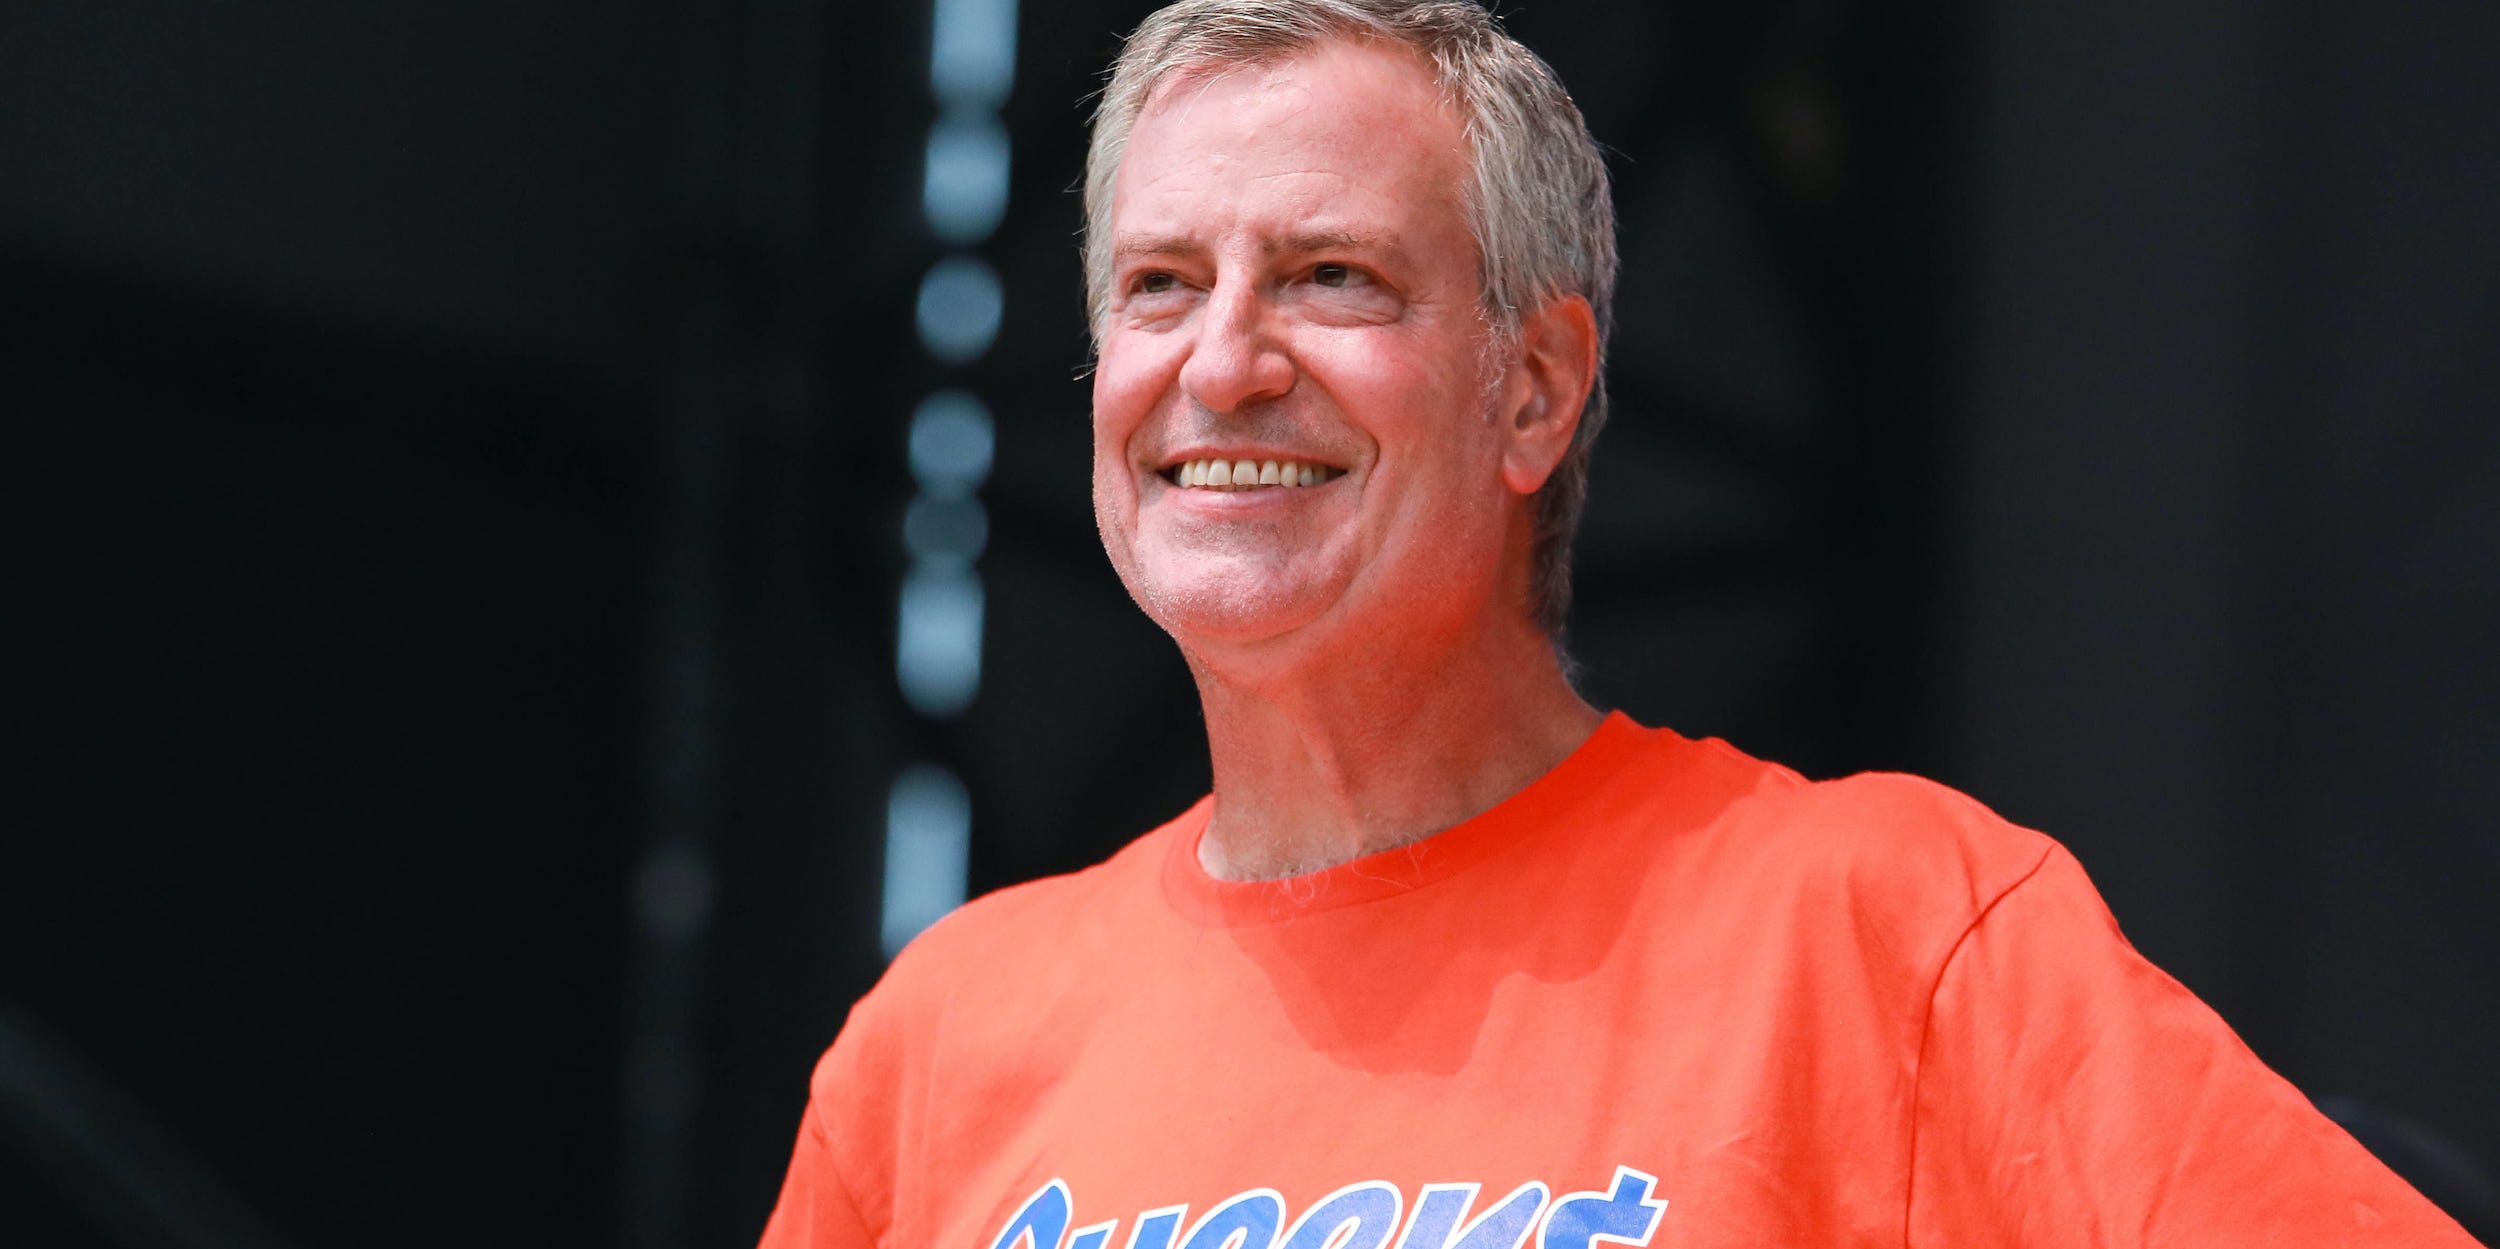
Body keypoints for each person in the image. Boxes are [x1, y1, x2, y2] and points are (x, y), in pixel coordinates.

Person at [761, 1, 2479, 1245]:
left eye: (1329, 276)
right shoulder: (942, 1047)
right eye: (1158, 284)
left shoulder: (1893, 933)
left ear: (1535, 389)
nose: (1219, 362)